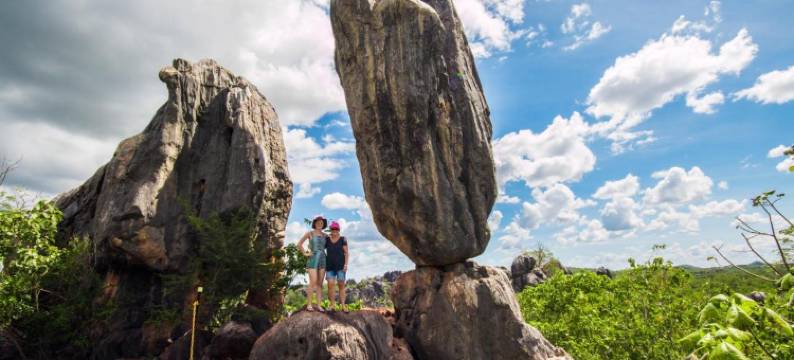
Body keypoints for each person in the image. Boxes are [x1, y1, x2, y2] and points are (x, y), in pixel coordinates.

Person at [297, 215, 327, 312]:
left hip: (323, 259)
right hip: (313, 258)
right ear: (315, 223)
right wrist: (305, 253)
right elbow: (299, 244)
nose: (320, 224)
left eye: (321, 223)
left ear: (323, 224)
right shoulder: (309, 233)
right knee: (313, 281)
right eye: (318, 222)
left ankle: (318, 305)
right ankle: (309, 304)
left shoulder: (325, 236)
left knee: (320, 284)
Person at [325, 221, 349, 312]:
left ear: (338, 230)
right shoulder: (327, 239)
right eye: (332, 229)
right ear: (330, 230)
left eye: (336, 229)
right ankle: (332, 305)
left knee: (341, 285)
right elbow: (320, 245)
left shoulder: (343, 239)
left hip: (341, 266)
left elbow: (346, 253)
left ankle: (343, 306)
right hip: (329, 266)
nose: (334, 231)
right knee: (330, 284)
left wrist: (346, 264)